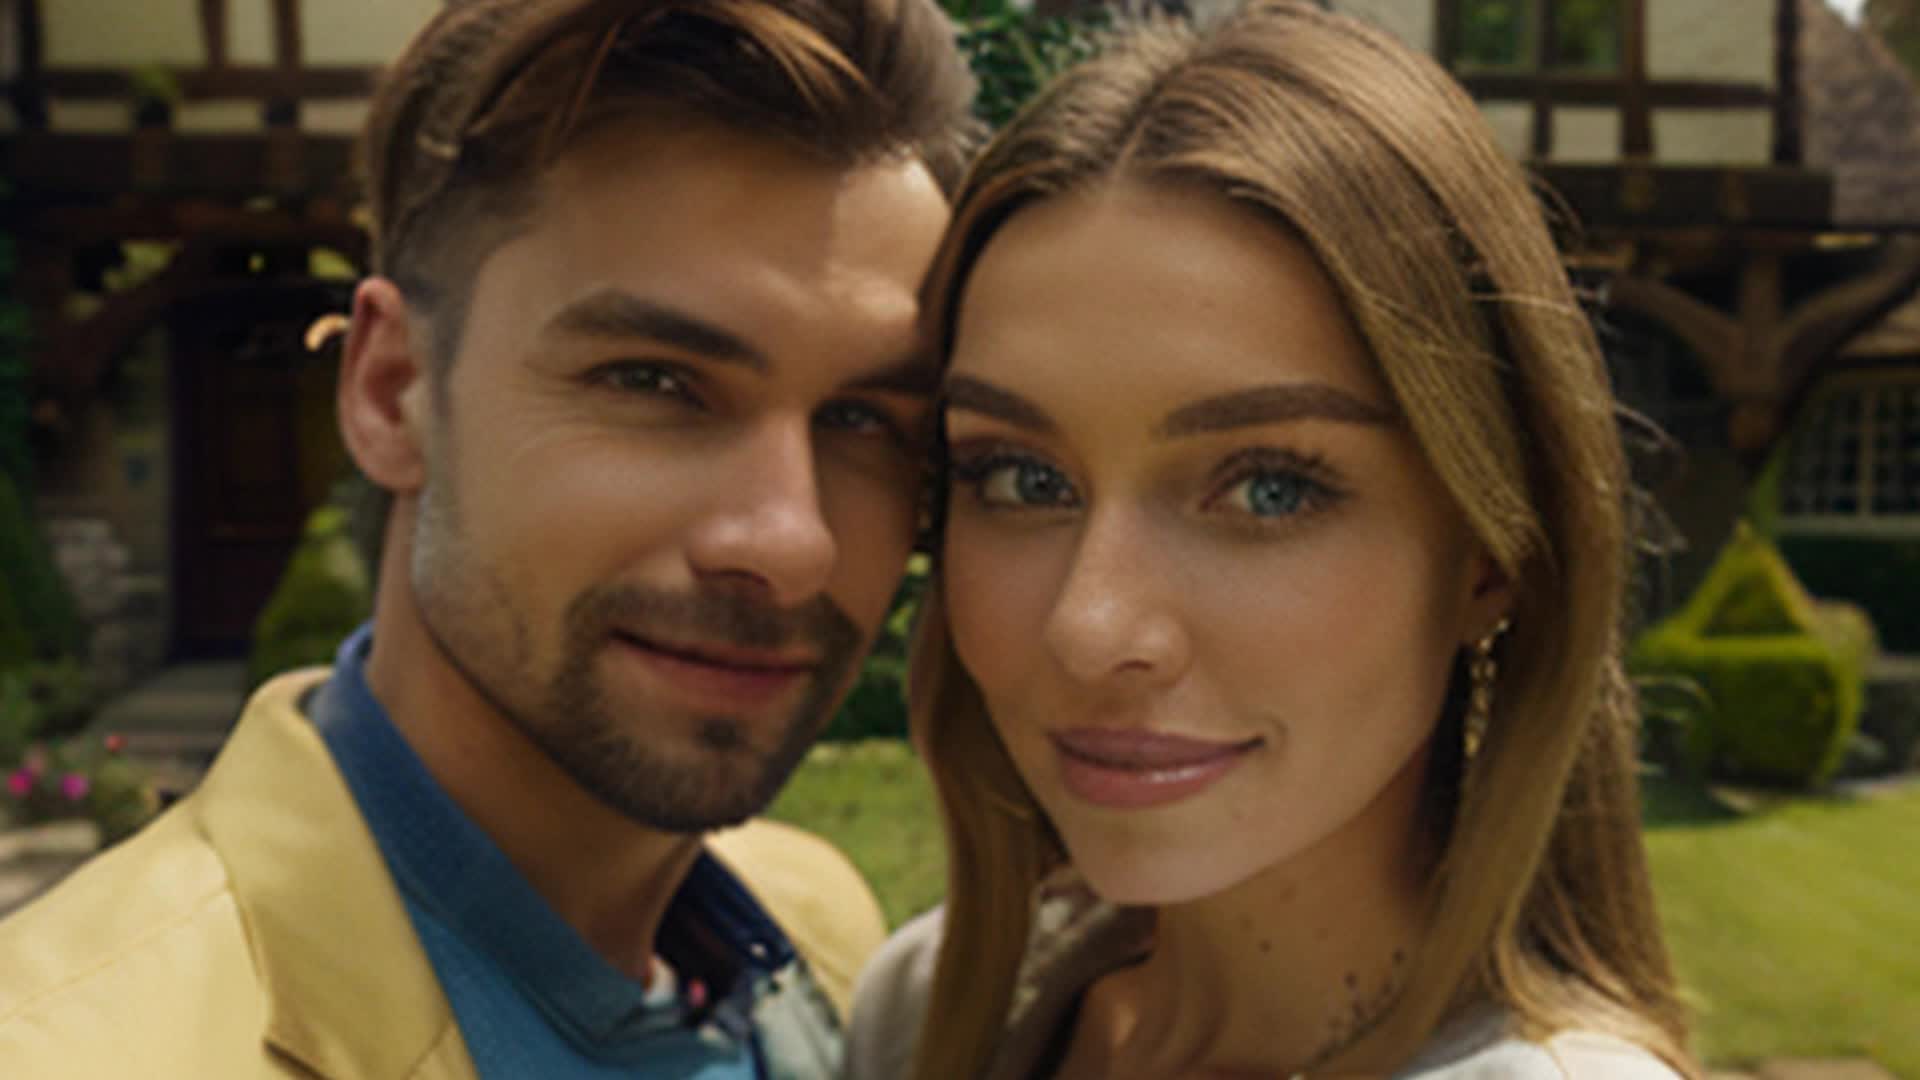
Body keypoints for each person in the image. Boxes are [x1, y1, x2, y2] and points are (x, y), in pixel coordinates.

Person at [0, 0, 975, 1075]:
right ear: (391, 392)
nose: (792, 543)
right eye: (654, 382)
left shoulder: (820, 940)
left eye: (865, 422)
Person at [848, 3, 1700, 1078]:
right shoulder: (924, 1016)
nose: (1090, 626)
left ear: (1490, 556)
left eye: (1267, 491)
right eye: (1021, 479)